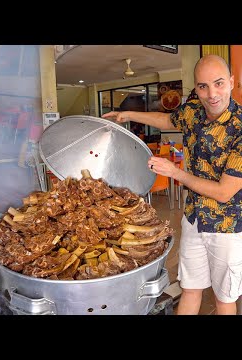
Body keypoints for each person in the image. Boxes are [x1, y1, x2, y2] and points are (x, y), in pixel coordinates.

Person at [102, 54, 242, 315]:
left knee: (224, 299)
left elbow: (224, 192)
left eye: (219, 83)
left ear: (232, 82)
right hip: (194, 218)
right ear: (196, 88)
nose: (211, 94)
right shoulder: (192, 111)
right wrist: (127, 114)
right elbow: (167, 120)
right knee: (190, 288)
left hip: (227, 226)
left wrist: (175, 173)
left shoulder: (239, 128)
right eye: (203, 86)